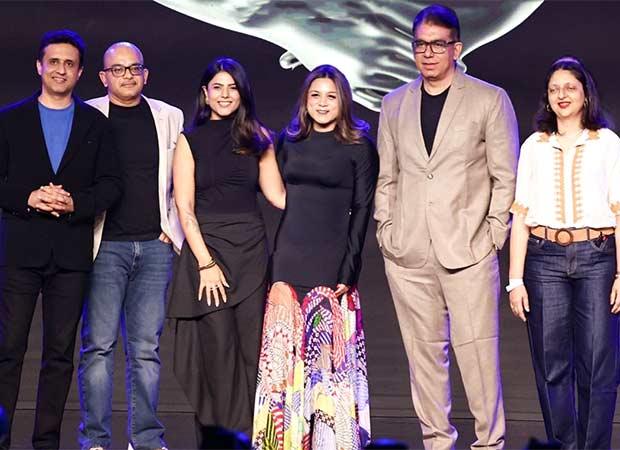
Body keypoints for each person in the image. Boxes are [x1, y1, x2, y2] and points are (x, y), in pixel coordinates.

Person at [374, 4, 518, 450]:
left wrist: (493, 235)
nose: (428, 53)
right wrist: (387, 230)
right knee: (424, 358)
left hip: (468, 249)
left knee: (478, 355)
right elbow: (387, 176)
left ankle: (489, 444)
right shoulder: (394, 103)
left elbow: (505, 176)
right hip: (408, 252)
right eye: (420, 44)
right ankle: (437, 442)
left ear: (456, 48)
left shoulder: (488, 99)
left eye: (438, 45)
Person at [0, 30, 121, 450]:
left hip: (71, 255)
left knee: (59, 355)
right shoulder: (9, 119)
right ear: (39, 66)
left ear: (80, 72)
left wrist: (75, 204)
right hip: (20, 251)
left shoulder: (96, 124)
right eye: (53, 62)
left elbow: (111, 185)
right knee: (8, 350)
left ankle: (46, 442)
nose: (60, 70)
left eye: (69, 64)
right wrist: (29, 197)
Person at [252, 64, 377, 450]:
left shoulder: (359, 146)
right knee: (282, 368)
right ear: (305, 101)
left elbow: (363, 210)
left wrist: (349, 268)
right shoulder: (288, 141)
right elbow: (274, 191)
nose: (322, 103)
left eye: (331, 96)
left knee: (328, 369)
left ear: (343, 101)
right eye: (315, 96)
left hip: (331, 266)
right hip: (288, 262)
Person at [167, 57, 284, 447]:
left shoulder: (259, 138)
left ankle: (251, 439)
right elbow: (184, 208)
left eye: (232, 87)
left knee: (252, 353)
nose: (225, 95)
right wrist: (206, 263)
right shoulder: (190, 140)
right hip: (208, 256)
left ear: (242, 93)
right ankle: (221, 440)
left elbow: (278, 197)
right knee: (217, 355)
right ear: (205, 93)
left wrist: (330, 196)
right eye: (217, 87)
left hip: (251, 255)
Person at [508, 56, 620, 450]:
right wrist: (515, 280)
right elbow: (520, 215)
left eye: (570, 87)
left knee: (598, 364)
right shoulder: (534, 146)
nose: (562, 95)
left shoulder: (607, 143)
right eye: (554, 89)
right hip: (544, 260)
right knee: (551, 364)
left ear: (585, 94)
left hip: (597, 256)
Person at [77, 42, 184, 450]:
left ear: (146, 74)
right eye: (118, 69)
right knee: (99, 348)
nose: (127, 75)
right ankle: (96, 440)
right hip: (105, 247)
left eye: (134, 68)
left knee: (145, 351)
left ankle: (146, 440)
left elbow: (181, 180)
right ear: (103, 77)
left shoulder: (169, 116)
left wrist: (171, 229)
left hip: (154, 247)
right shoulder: (88, 114)